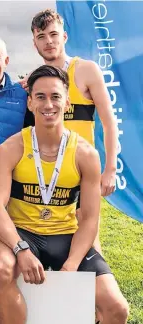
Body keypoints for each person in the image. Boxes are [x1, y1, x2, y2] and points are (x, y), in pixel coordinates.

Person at [0, 66, 129, 324]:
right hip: (23, 234)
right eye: (40, 97)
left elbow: (89, 218)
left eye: (55, 97)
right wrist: (21, 248)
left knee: (116, 308)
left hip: (66, 238)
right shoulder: (12, 148)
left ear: (67, 102)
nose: (48, 104)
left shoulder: (85, 154)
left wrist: (72, 264)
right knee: (0, 268)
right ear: (30, 102)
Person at [24, 9, 118, 253]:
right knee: (49, 240)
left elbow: (109, 122)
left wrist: (110, 169)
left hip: (80, 171)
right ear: (34, 43)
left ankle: (97, 285)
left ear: (64, 37)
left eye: (53, 34)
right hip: (45, 175)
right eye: (41, 36)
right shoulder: (36, 80)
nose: (49, 41)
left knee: (88, 241)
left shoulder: (86, 70)